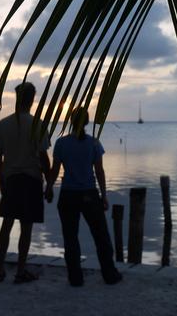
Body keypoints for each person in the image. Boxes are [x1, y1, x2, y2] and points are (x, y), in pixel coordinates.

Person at [45, 107, 122, 287]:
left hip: (68, 195)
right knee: (101, 236)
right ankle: (109, 274)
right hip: (89, 194)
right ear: (87, 122)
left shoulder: (61, 143)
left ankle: (75, 278)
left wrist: (48, 187)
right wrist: (104, 195)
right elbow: (99, 171)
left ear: (71, 121)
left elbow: (55, 170)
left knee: (70, 237)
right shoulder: (93, 143)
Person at [0, 82, 50, 284]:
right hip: (31, 179)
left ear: (17, 98)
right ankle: (20, 270)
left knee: (6, 224)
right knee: (26, 228)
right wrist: (50, 183)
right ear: (32, 99)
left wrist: (1, 180)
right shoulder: (38, 124)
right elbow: (43, 157)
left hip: (11, 180)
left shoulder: (4, 124)